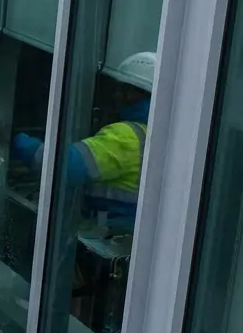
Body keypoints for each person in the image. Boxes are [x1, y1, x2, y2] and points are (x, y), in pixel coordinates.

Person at [9, 51, 154, 227]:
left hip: (105, 236)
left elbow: (67, 165)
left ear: (148, 96)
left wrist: (16, 140)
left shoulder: (126, 136)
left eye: (127, 92)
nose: (117, 96)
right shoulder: (160, 137)